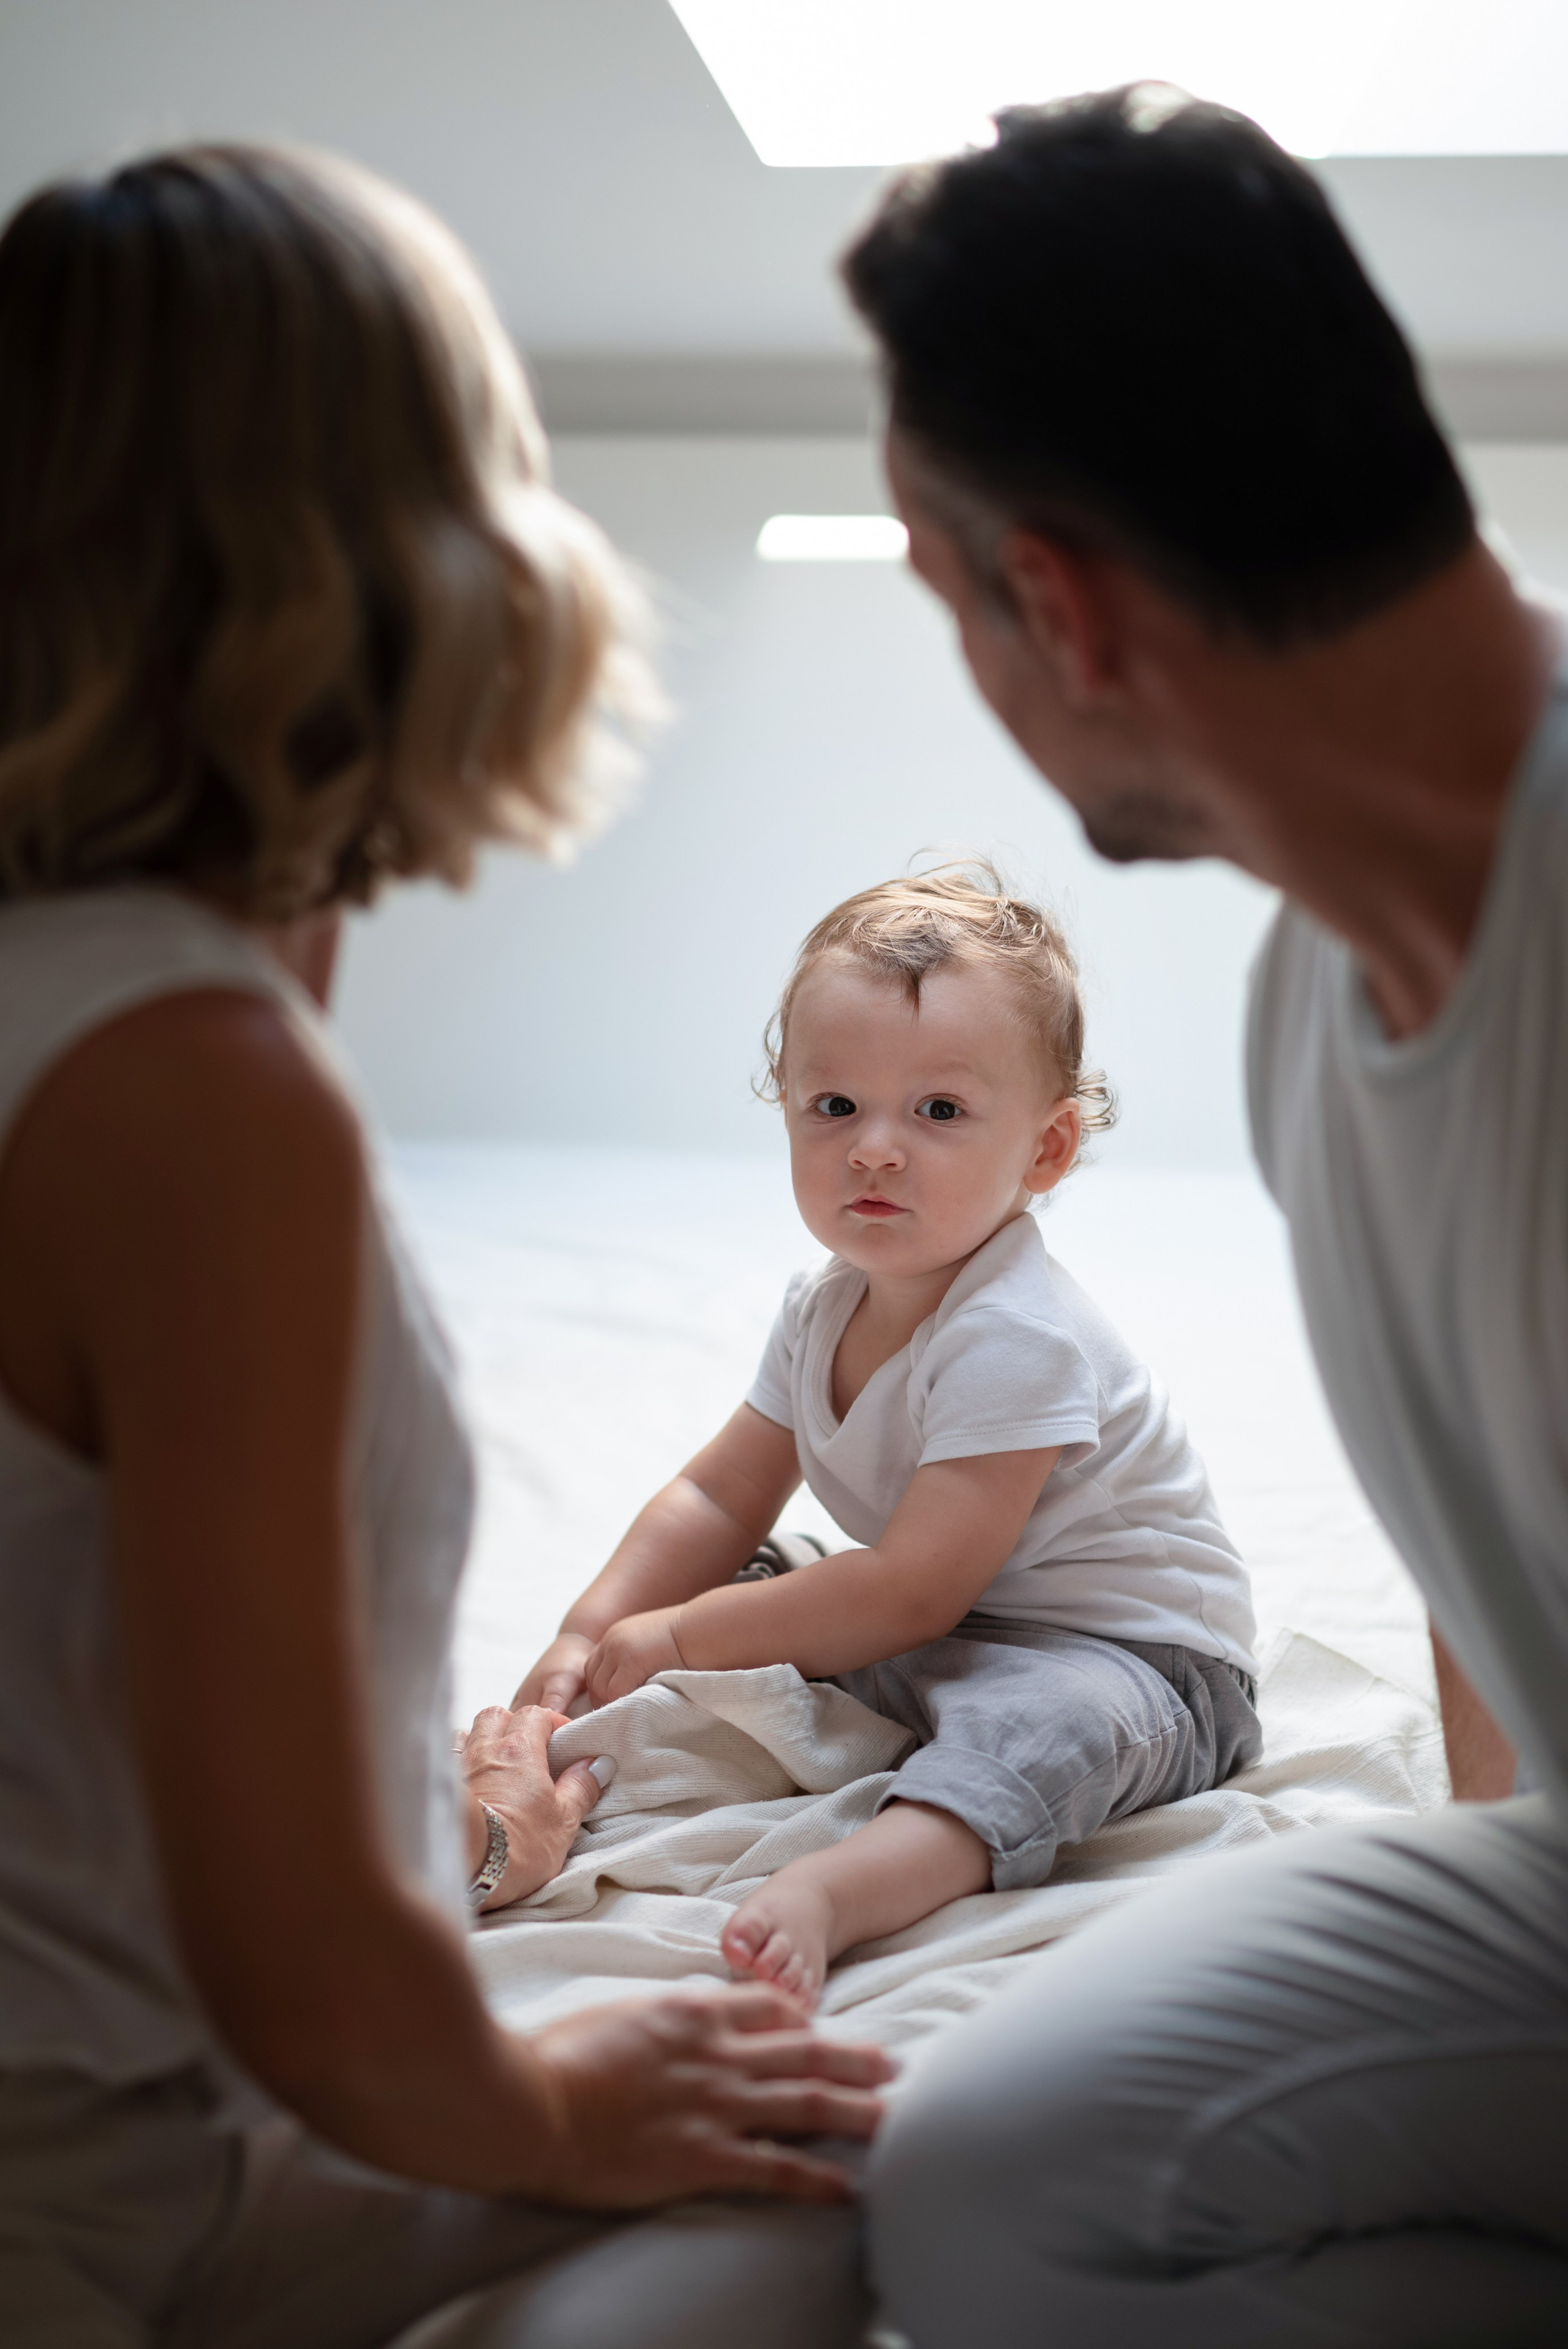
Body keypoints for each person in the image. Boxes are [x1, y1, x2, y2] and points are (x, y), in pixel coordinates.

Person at [0, 144, 891, 2349]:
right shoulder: (196, 1092)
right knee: (884, 2181)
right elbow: (312, 1987)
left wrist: (458, 1838)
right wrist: (544, 2090)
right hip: (117, 2206)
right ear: (422, 569)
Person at [838, 83, 1568, 2346]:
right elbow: (1490, 1582)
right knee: (987, 2185)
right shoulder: (1309, 1002)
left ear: (1049, 601)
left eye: (946, 595)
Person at [517, 867, 1260, 2002]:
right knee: (771, 1603)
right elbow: (718, 1496)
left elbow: (913, 1589)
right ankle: (796, 1626)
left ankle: (846, 1889)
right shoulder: (825, 1307)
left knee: (1035, 1735)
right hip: (959, 1619)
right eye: (835, 1108)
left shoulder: (1018, 1333)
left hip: (1128, 1660)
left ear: (1048, 1151)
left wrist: (678, 1636)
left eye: (940, 1112)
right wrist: (593, 1632)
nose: (875, 1148)